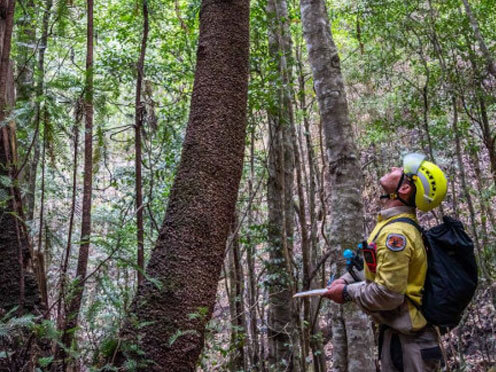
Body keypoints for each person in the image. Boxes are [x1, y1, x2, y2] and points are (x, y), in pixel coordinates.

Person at [324, 153, 447, 372]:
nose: (392, 167)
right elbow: (372, 271)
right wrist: (343, 281)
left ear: (404, 189)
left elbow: (388, 294)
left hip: (412, 347)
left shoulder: (397, 235)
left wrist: (347, 292)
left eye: (400, 170)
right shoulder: (390, 225)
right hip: (398, 341)